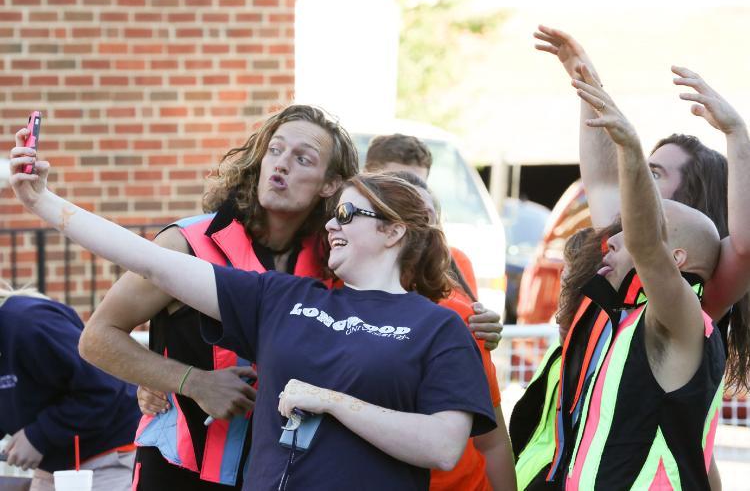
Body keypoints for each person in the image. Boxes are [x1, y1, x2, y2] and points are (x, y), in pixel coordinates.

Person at [9, 143, 499, 491]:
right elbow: (152, 262)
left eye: (348, 215)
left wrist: (332, 402)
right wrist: (44, 202)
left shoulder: (439, 327)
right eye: (333, 214)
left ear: (393, 232)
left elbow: (443, 446)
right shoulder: (281, 297)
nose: (331, 223)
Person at [60, 105, 357, 490]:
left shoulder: (334, 263)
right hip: (176, 467)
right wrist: (192, 381)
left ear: (330, 184)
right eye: (275, 149)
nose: (281, 164)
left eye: (303, 159)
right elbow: (96, 337)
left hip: (282, 471)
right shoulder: (187, 243)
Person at [513, 73, 725, 490]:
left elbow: (646, 246)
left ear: (674, 258)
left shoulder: (684, 316)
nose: (610, 239)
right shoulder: (624, 319)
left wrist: (630, 151)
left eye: (629, 230)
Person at [534, 24, 750, 395]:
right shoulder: (622, 254)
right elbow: (603, 183)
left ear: (692, 201)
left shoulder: (700, 290)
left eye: (655, 174)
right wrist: (587, 84)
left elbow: (745, 248)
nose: (638, 181)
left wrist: (736, 134)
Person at [365, 135, 515, 490]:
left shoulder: (456, 264)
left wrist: (486, 332)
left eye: (420, 188)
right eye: (396, 187)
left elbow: (492, 431)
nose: (410, 208)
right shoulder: (339, 280)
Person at [0, 282, 140, 491]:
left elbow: (104, 387)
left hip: (109, 456)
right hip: (55, 466)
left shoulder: (29, 323)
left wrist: (38, 436)